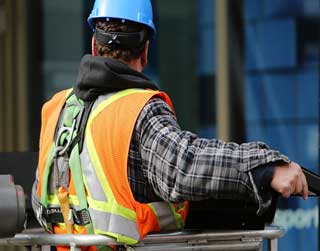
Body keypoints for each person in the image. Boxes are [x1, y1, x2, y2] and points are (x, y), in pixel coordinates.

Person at [32, 0, 308, 249]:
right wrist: (264, 167)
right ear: (146, 50)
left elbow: (40, 199)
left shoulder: (56, 109)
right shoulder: (138, 110)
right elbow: (182, 167)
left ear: (94, 45)